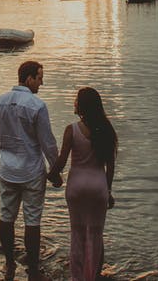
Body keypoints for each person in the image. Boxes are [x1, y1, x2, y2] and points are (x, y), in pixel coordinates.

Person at [0, 61, 61, 281]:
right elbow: (48, 143)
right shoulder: (37, 105)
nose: (42, 82)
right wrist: (55, 171)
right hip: (31, 171)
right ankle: (34, 269)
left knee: (6, 216)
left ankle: (9, 263)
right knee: (32, 220)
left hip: (7, 169)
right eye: (39, 77)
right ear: (28, 79)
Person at [49, 87, 117, 281]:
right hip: (98, 186)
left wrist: (51, 175)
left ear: (81, 105)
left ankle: (77, 277)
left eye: (76, 100)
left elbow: (62, 160)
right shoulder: (106, 129)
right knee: (96, 234)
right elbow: (110, 165)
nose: (74, 103)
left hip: (77, 186)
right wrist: (109, 191)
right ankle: (94, 275)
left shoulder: (72, 129)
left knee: (77, 234)